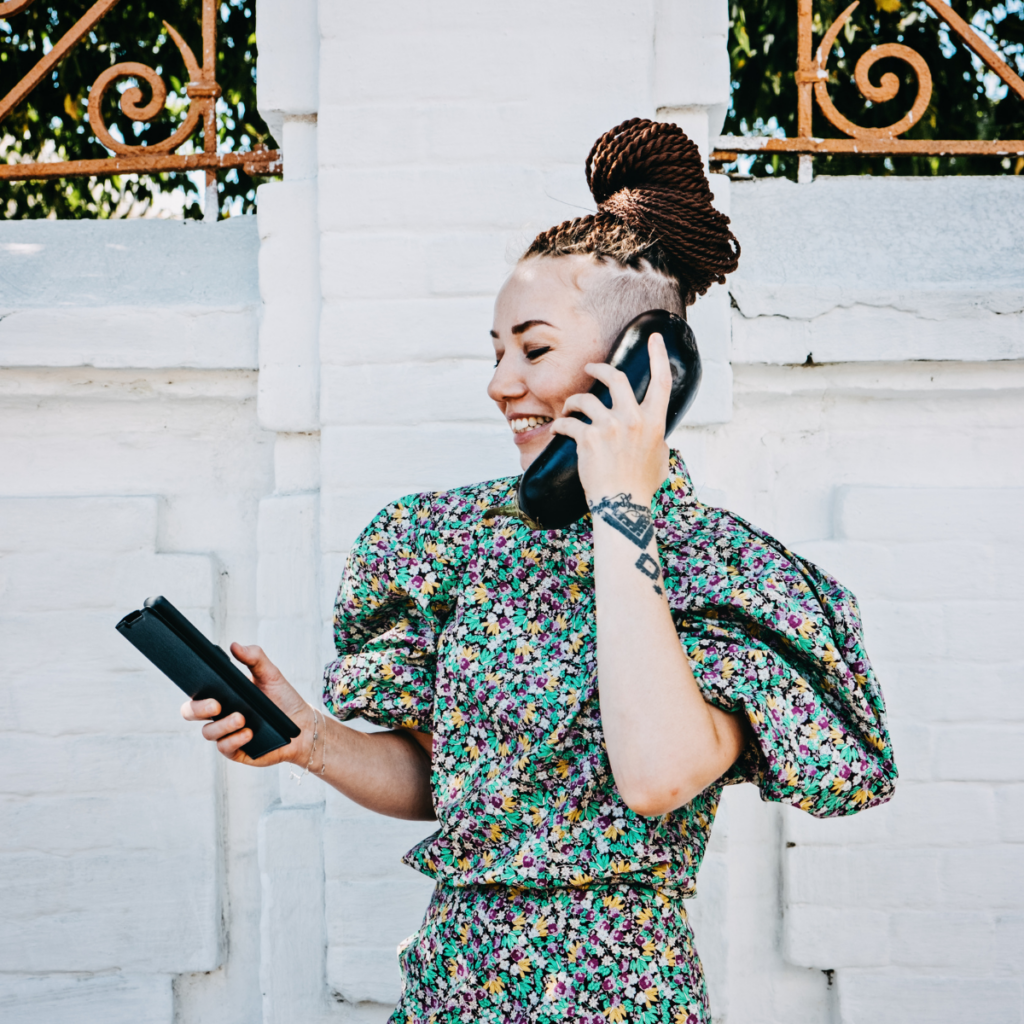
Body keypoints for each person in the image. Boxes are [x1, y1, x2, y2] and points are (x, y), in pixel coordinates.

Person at [183, 118, 897, 1023]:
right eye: (494, 350)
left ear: (646, 367)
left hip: (616, 995)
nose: (498, 383)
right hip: (451, 988)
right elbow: (446, 784)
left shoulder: (723, 572)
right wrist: (312, 740)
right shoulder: (446, 543)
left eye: (533, 348)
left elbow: (655, 776)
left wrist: (622, 514)